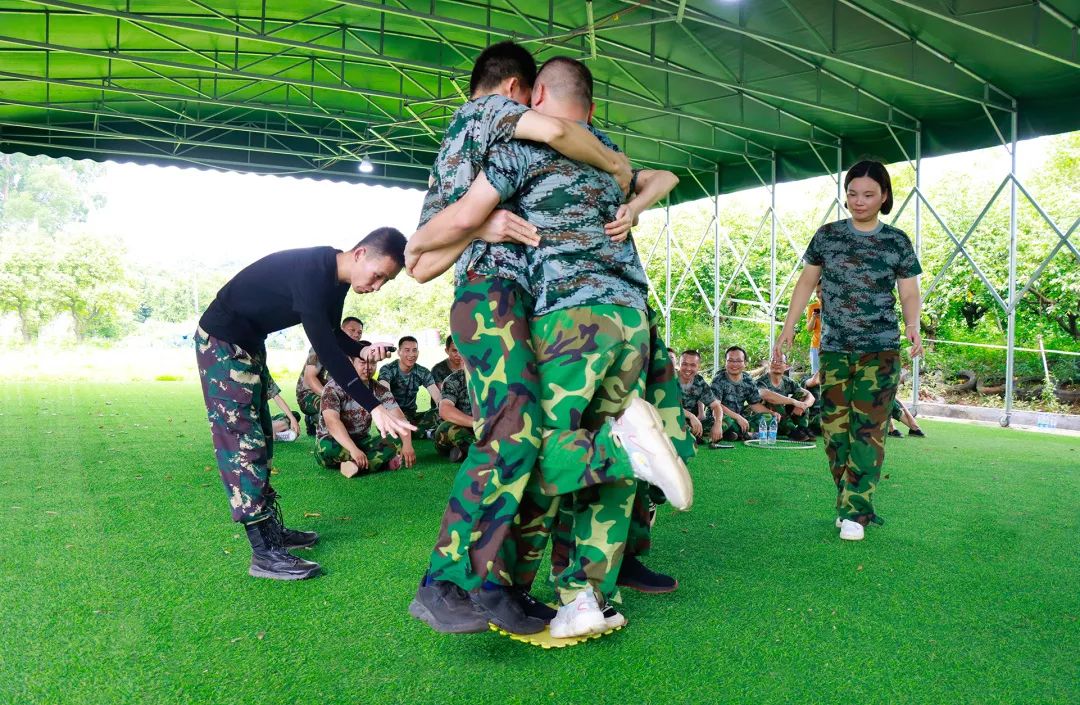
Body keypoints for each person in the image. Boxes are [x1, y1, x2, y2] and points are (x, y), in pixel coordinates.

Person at [415, 56, 691, 638]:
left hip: (564, 317)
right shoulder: (589, 147)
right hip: (631, 316)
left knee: (534, 443)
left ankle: (491, 582)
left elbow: (422, 258)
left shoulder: (520, 148)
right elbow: (660, 176)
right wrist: (629, 191)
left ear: (535, 95)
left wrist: (474, 221)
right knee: (524, 440)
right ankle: (585, 596)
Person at [194, 228, 413, 581]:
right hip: (222, 344)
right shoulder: (312, 273)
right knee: (242, 447)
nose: (376, 287)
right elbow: (324, 347)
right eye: (378, 276)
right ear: (359, 254)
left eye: (385, 282)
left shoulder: (336, 281)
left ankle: (272, 532)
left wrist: (361, 349)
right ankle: (264, 555)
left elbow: (334, 333)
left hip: (248, 347)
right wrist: (373, 406)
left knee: (262, 440)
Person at [774, 159, 923, 542]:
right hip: (835, 350)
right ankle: (849, 499)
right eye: (853, 193)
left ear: (884, 196)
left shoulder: (896, 242)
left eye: (869, 194)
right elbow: (805, 283)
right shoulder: (827, 236)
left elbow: (908, 291)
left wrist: (912, 328)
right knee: (835, 434)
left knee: (868, 431)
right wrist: (788, 328)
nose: (859, 201)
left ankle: (856, 511)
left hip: (881, 350)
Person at [316, 355, 412, 477]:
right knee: (326, 446)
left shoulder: (380, 390)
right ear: (351, 363)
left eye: (372, 363)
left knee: (395, 438)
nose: (368, 368)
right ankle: (378, 463)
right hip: (335, 442)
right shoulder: (333, 388)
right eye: (362, 363)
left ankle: (354, 465)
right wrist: (353, 450)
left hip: (362, 442)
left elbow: (400, 419)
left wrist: (408, 445)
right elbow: (332, 423)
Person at [295, 317, 364, 435]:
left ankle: (314, 419)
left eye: (359, 332)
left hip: (335, 393)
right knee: (332, 411)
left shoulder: (354, 352)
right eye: (352, 330)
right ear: (341, 330)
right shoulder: (322, 346)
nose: (356, 335)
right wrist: (332, 397)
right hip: (309, 394)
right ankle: (315, 419)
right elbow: (310, 378)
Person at [709, 345, 779, 441]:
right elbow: (716, 406)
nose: (734, 364)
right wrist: (737, 417)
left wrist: (771, 413)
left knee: (769, 417)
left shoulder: (748, 380)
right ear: (725, 362)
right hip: (720, 417)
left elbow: (754, 404)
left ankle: (737, 434)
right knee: (726, 422)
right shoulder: (718, 380)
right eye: (730, 361)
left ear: (744, 363)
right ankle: (746, 434)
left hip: (740, 419)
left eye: (738, 361)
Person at [377, 336, 441, 436]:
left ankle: (415, 431)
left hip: (412, 416)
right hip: (392, 413)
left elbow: (437, 396)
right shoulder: (388, 369)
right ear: (399, 352)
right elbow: (384, 394)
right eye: (407, 350)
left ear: (418, 352)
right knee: (389, 424)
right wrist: (398, 417)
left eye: (414, 350)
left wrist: (444, 409)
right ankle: (426, 432)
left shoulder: (422, 371)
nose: (411, 354)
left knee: (440, 412)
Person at [754, 354, 816, 441]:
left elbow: (810, 396)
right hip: (766, 419)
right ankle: (792, 431)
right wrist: (794, 402)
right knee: (773, 400)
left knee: (802, 396)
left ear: (786, 366)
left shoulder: (788, 381)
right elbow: (765, 395)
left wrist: (803, 405)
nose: (776, 363)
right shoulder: (761, 381)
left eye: (780, 361)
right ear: (769, 364)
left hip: (782, 418)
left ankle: (802, 429)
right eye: (773, 361)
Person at [676, 349, 725, 445]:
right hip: (674, 419)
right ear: (679, 365)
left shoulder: (699, 382)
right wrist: (691, 416)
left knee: (725, 421)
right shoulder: (669, 379)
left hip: (692, 422)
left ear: (698, 367)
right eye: (684, 364)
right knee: (678, 426)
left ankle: (696, 436)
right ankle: (700, 437)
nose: (688, 368)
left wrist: (718, 423)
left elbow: (715, 405)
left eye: (693, 365)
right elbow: (669, 405)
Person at [433, 368, 476, 463]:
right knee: (446, 428)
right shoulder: (454, 379)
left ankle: (468, 452)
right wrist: (478, 423)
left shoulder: (500, 377)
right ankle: (482, 450)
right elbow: (445, 410)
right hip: (466, 429)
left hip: (492, 428)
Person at [807, 284, 822, 374]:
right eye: (817, 292)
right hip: (816, 346)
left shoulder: (835, 306)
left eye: (822, 291)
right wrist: (813, 318)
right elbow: (809, 329)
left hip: (831, 346)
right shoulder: (812, 307)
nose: (819, 294)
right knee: (816, 375)